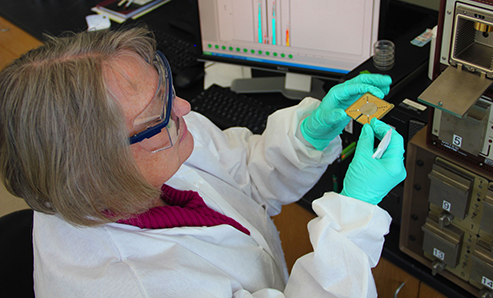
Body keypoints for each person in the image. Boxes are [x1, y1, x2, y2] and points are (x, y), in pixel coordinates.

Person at [0, 27, 406, 297]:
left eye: (164, 89)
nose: (184, 106)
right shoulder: (136, 286)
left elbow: (242, 174)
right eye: (156, 115)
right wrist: (353, 222)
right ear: (97, 168)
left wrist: (308, 135)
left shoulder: (156, 142)